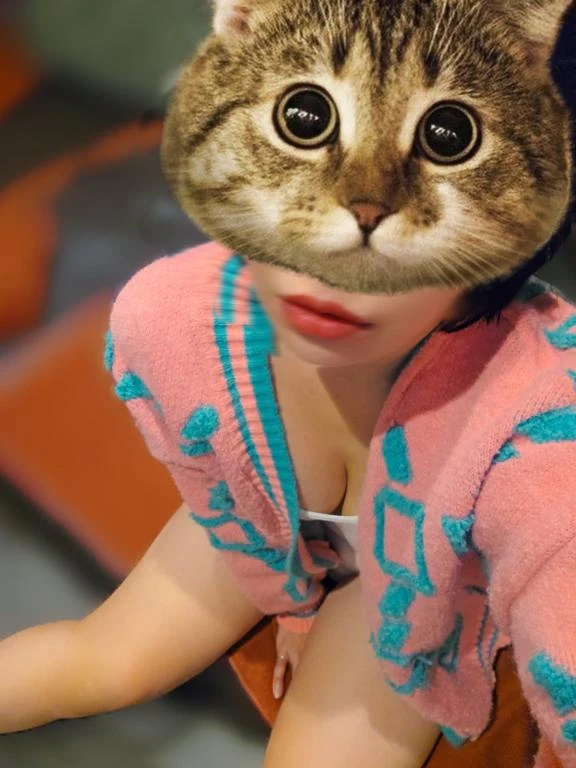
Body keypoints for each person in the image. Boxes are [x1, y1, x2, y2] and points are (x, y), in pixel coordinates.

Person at [0, 2, 575, 767]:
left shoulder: (536, 430)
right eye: (307, 121)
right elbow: (209, 488)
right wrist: (290, 601)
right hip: (276, 515)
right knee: (105, 660)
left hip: (418, 581)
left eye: (444, 140)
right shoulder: (183, 324)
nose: (357, 209)